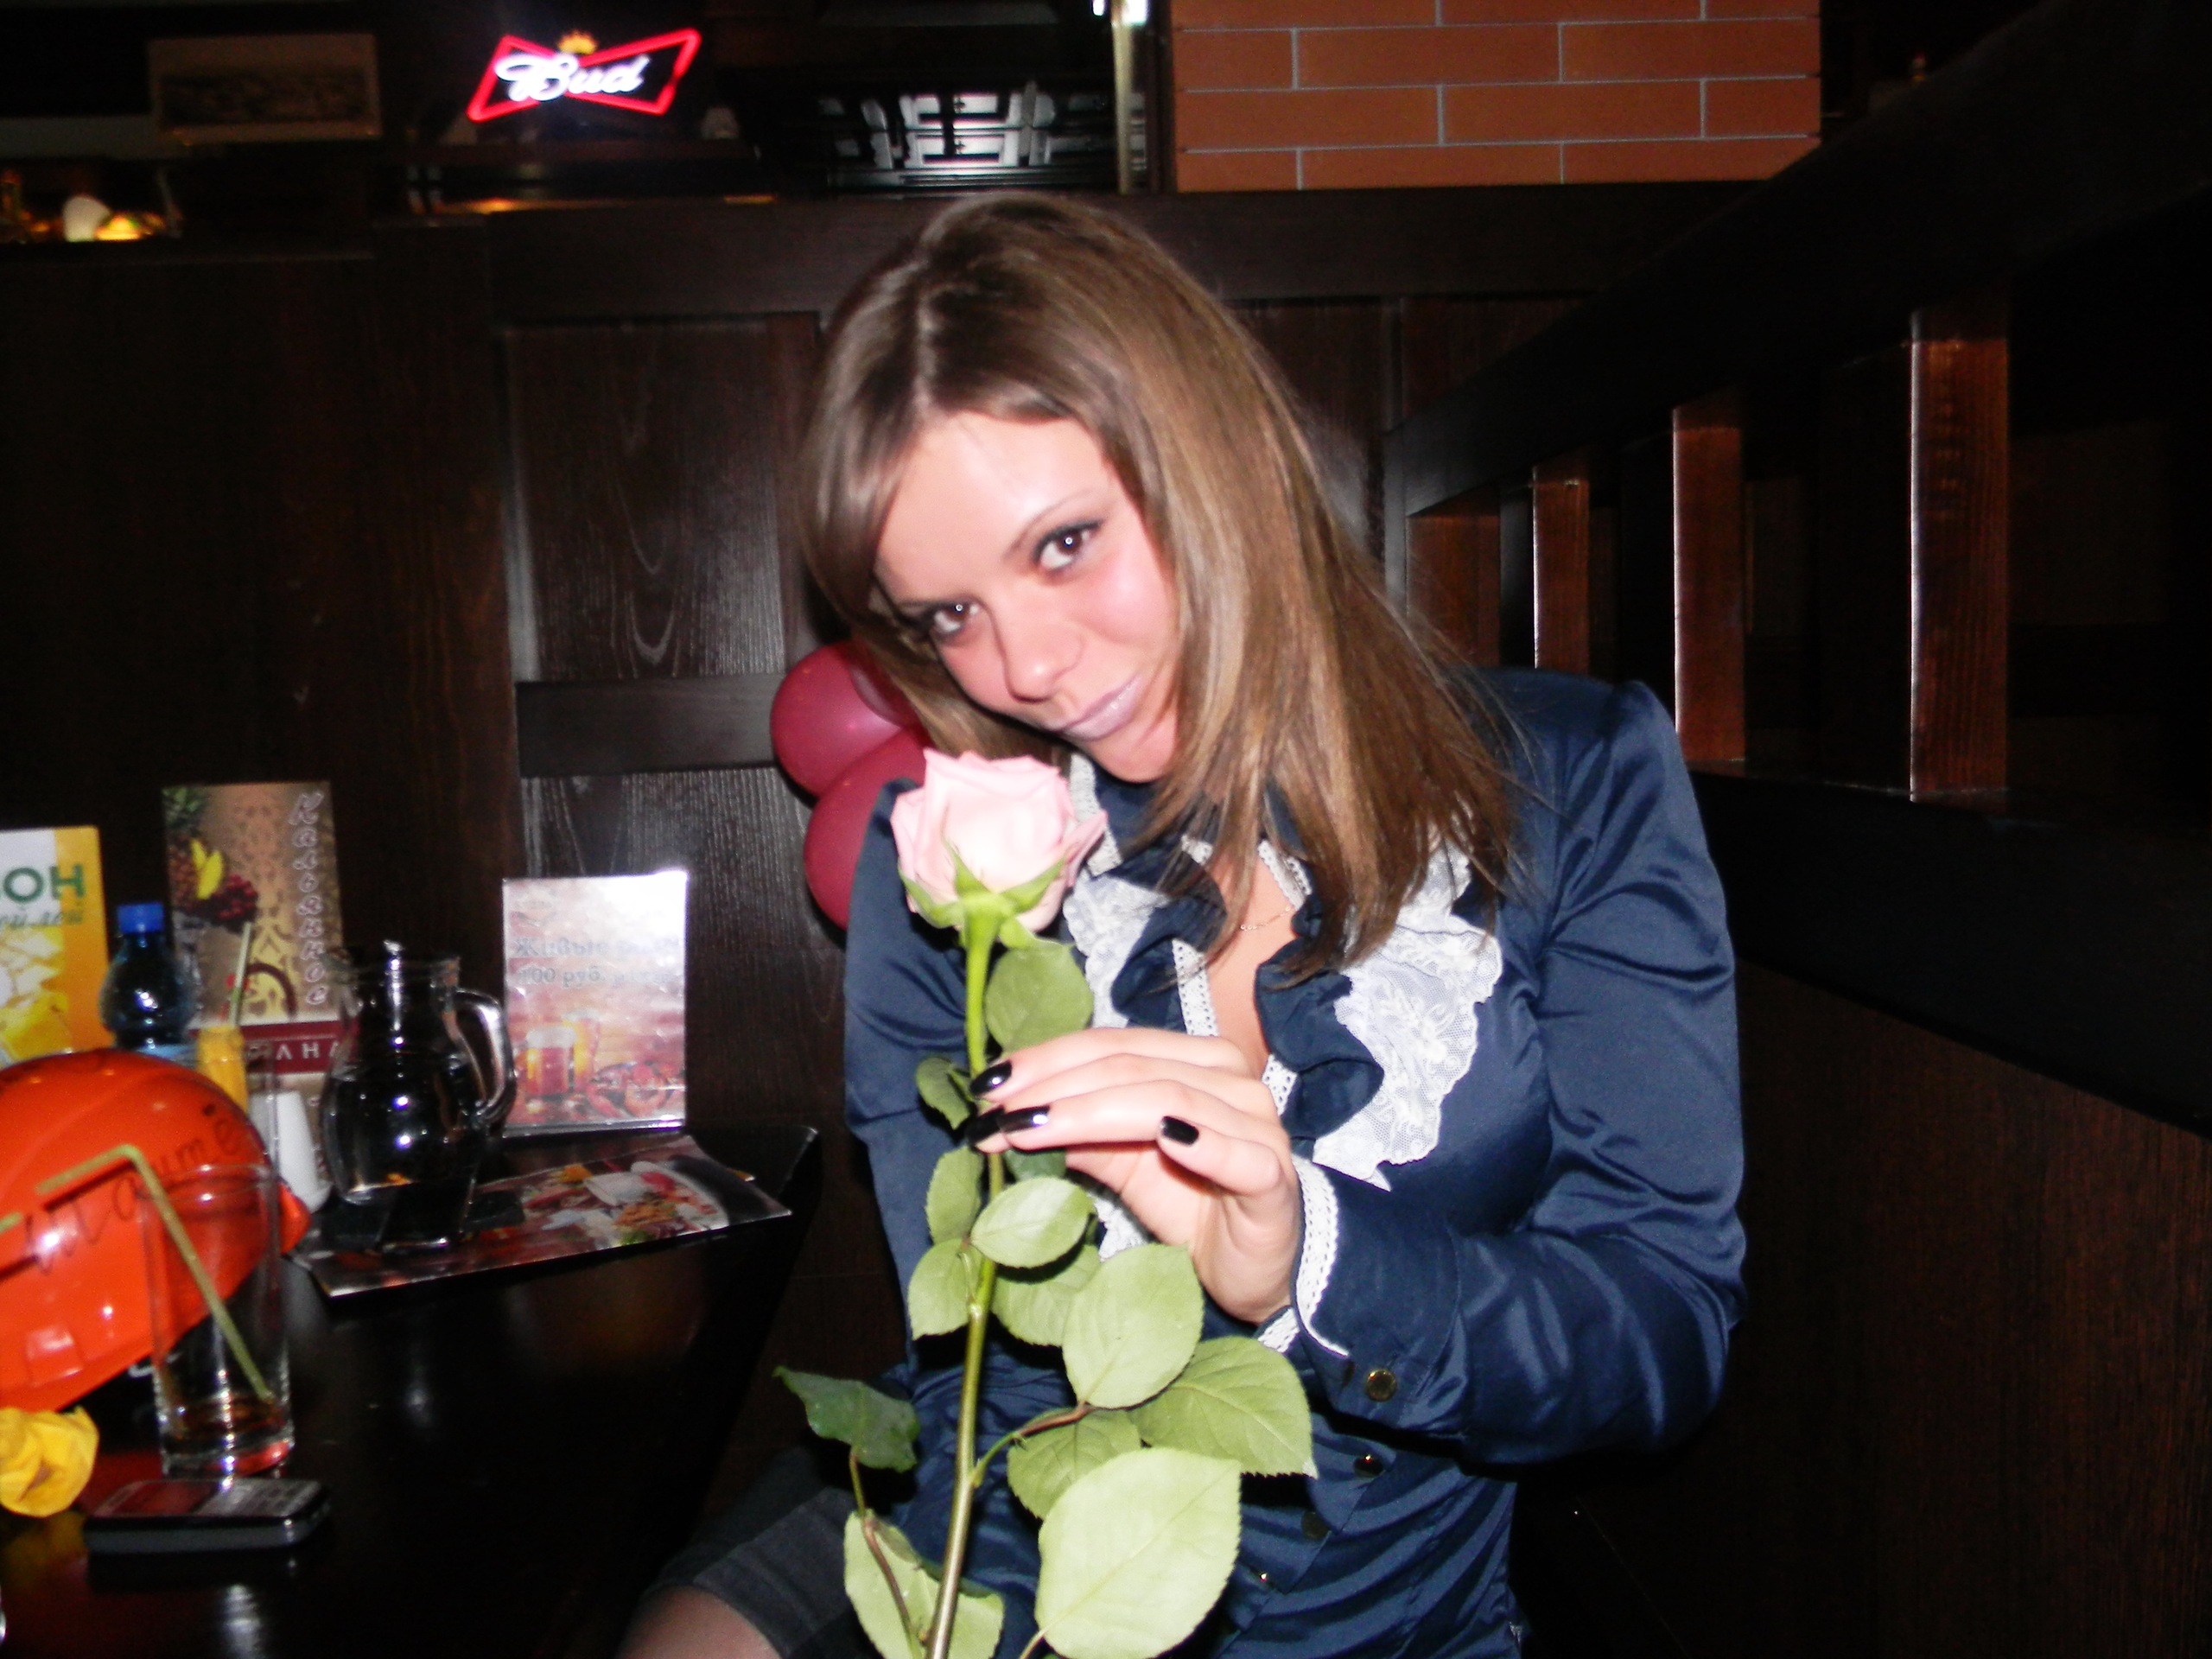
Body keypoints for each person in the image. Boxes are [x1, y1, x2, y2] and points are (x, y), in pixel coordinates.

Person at [626, 192, 1744, 1659]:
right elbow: (972, 1386)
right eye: (947, 616)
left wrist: (1312, 1261)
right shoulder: (954, 867)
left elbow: (1663, 1336)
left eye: (1065, 543)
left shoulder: (1570, 783)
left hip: (1394, 1622)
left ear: (1212, 456)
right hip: (1003, 1559)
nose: (1028, 664)